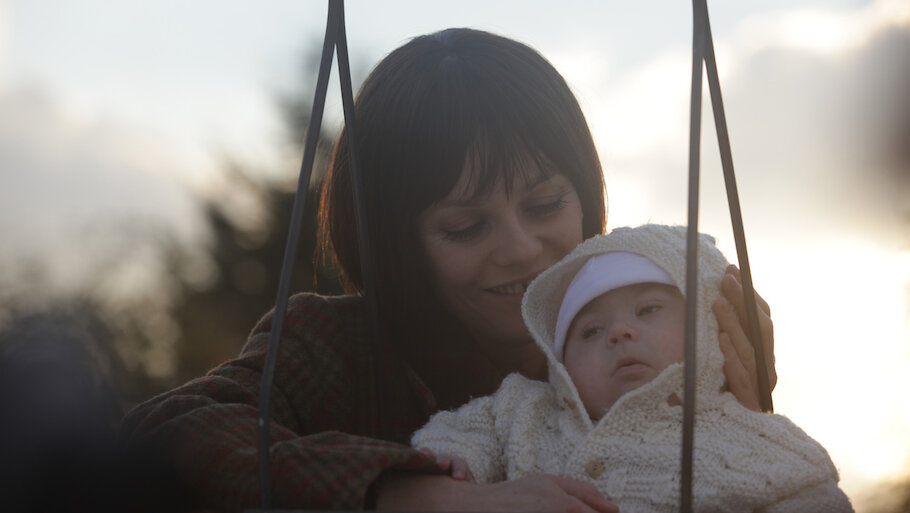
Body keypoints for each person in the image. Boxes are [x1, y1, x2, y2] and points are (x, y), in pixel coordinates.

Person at [120, 28, 775, 512]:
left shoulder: (649, 333)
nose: (520, 247)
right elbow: (162, 437)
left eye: (545, 203)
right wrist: (419, 495)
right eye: (466, 225)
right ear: (394, 240)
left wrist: (740, 423)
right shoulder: (333, 348)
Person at [412, 224, 853, 512]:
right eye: (589, 332)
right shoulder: (521, 409)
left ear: (705, 323)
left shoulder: (750, 436)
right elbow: (459, 433)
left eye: (648, 309)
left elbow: (813, 496)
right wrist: (452, 462)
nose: (618, 333)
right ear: (559, 362)